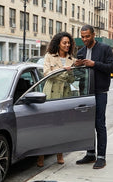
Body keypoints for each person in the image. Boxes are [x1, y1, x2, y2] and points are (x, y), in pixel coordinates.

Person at [74, 25, 113, 169]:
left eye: (87, 36)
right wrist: (77, 66)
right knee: (87, 124)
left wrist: (94, 64)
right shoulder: (80, 52)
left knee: (99, 124)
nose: (85, 39)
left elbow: (112, 68)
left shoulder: (105, 49)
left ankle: (101, 157)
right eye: (82, 36)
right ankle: (90, 154)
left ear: (93, 35)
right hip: (85, 92)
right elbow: (77, 75)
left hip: (100, 92)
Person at [37, 32, 76, 167]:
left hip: (64, 93)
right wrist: (62, 70)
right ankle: (41, 156)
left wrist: (70, 72)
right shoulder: (49, 56)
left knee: (61, 125)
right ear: (58, 43)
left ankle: (59, 154)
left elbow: (72, 79)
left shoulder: (72, 59)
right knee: (46, 126)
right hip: (51, 94)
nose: (67, 45)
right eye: (64, 43)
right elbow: (47, 74)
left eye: (68, 43)